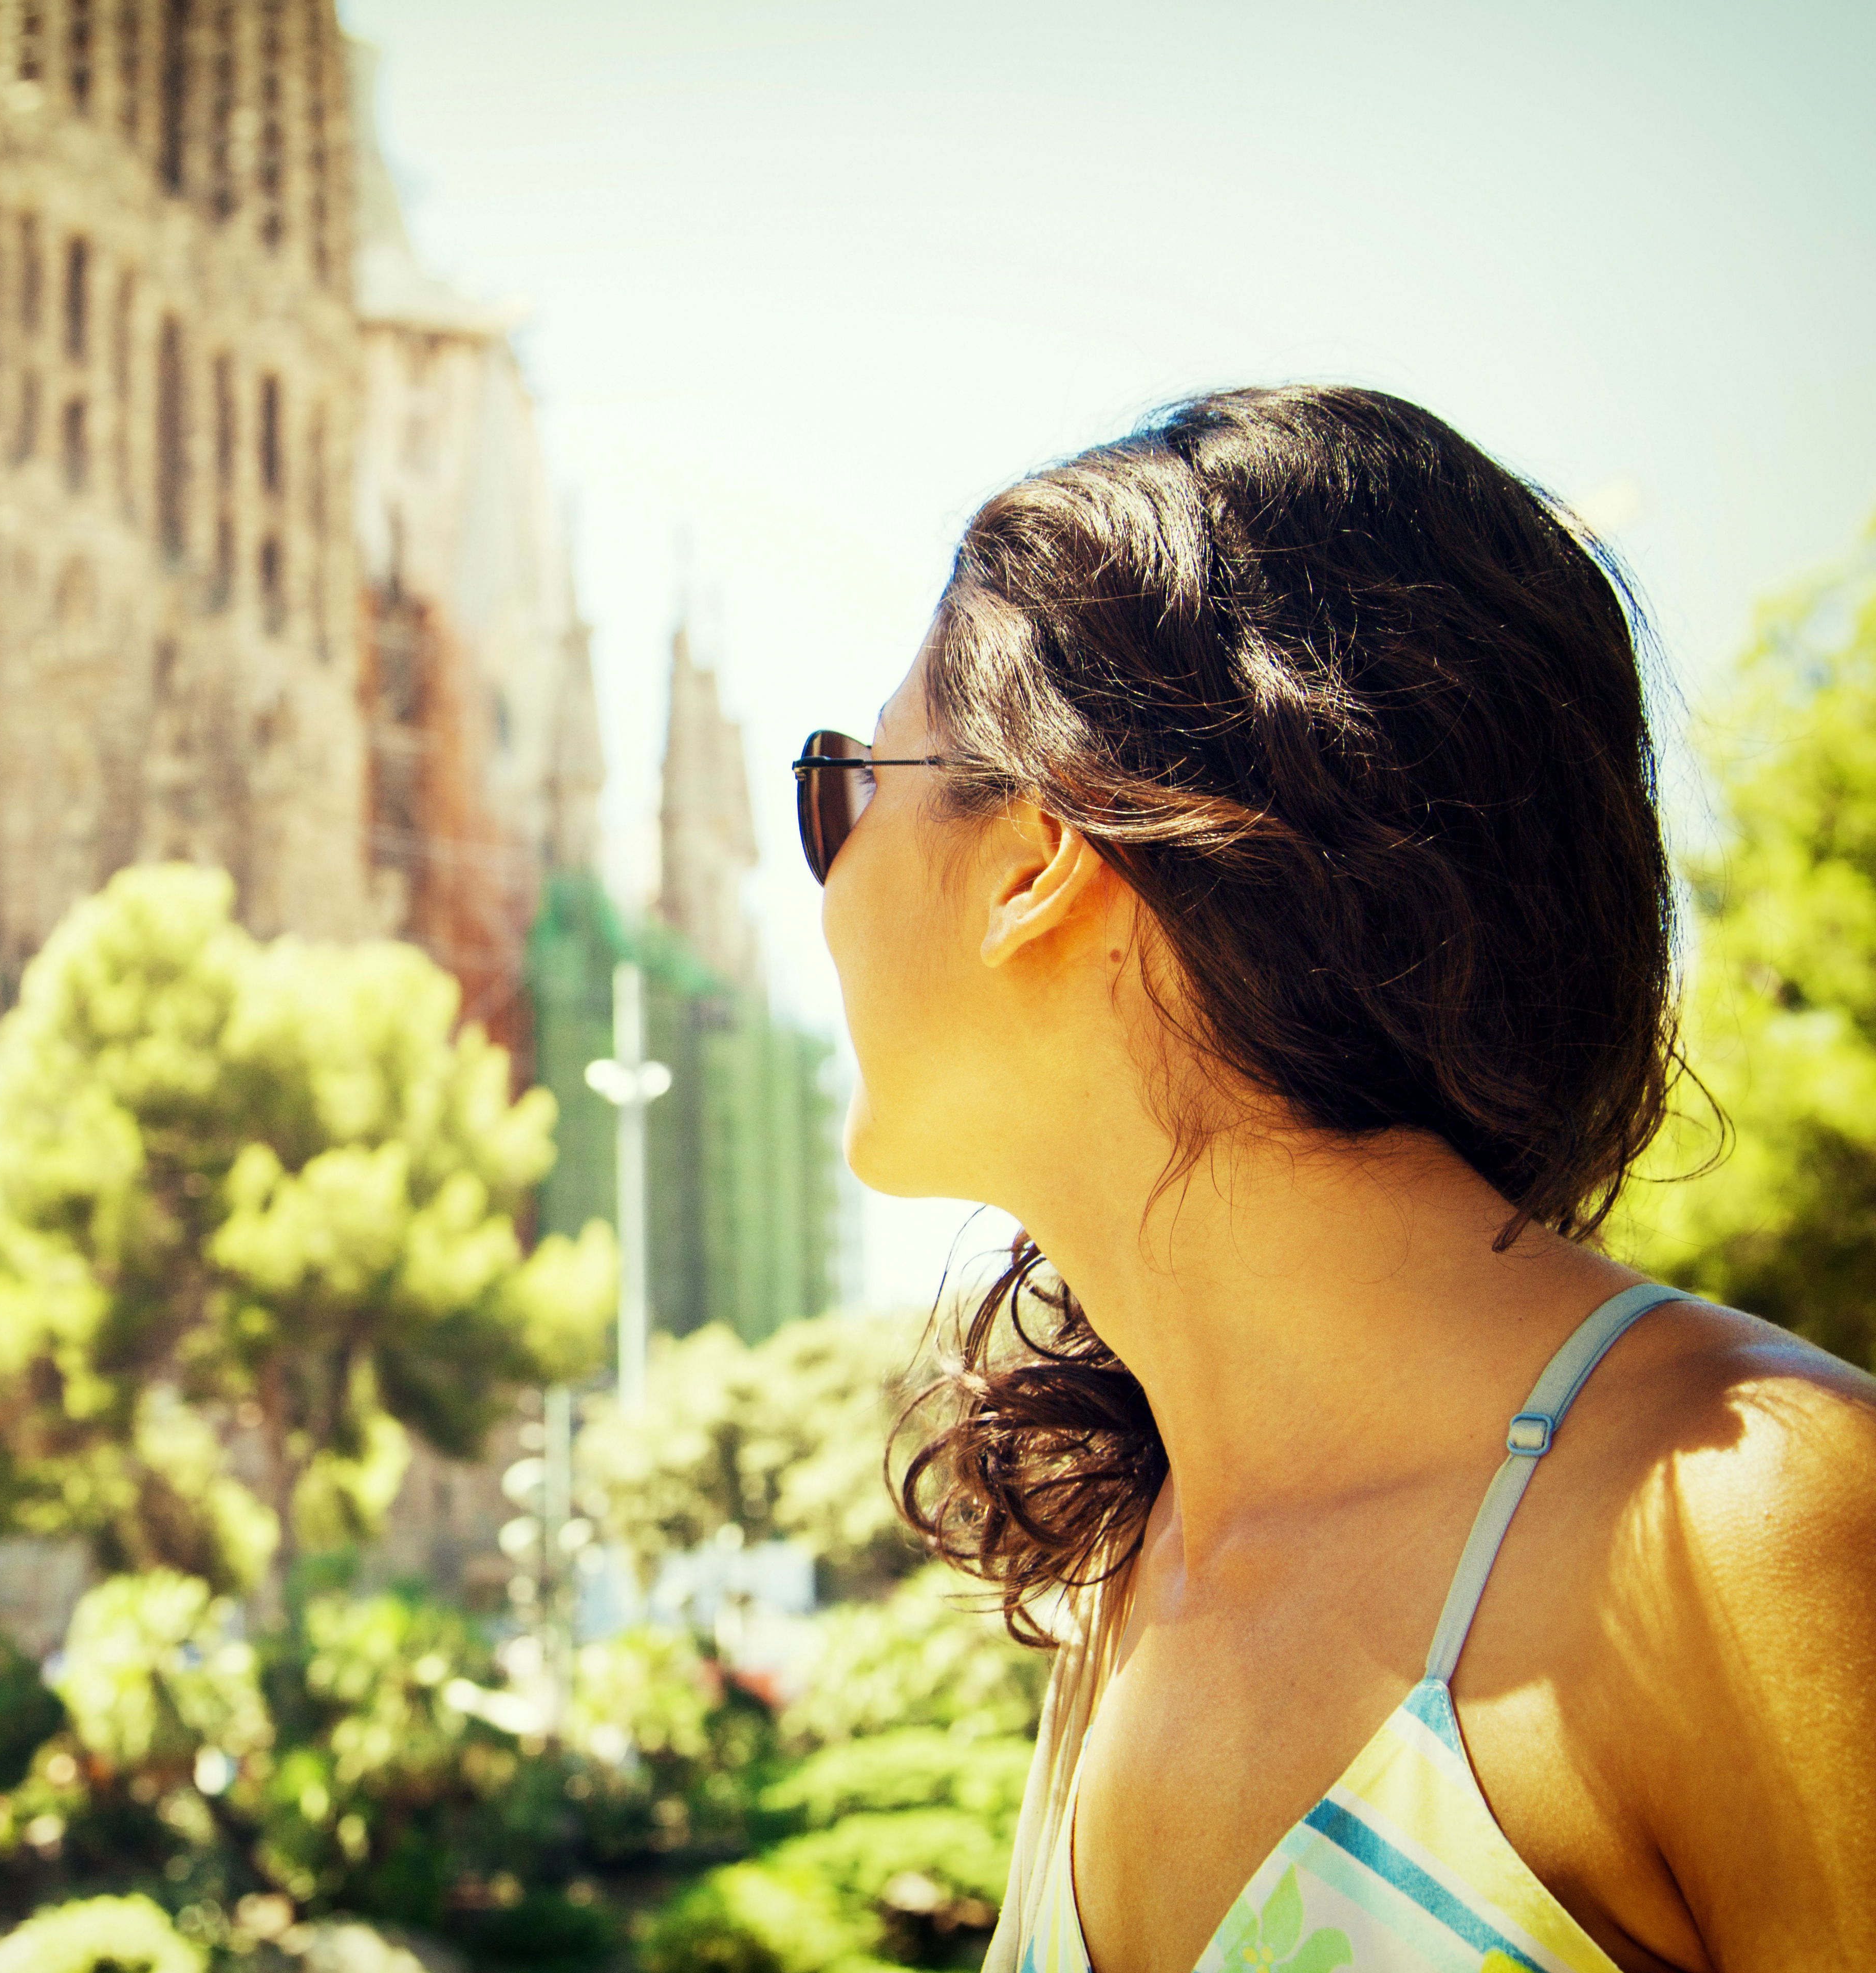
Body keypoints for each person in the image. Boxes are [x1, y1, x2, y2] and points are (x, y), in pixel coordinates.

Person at [797, 386, 1876, 1972]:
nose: (822, 886)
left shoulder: (1765, 1522)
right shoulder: (1133, 1570)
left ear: (1034, 861)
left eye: (844, 790)